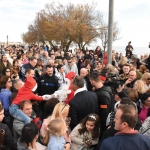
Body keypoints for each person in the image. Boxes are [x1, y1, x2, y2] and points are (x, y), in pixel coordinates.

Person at [89, 71, 112, 139]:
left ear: (92, 81)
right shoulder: (105, 90)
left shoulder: (102, 95)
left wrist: (100, 126)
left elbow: (104, 112)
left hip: (102, 123)